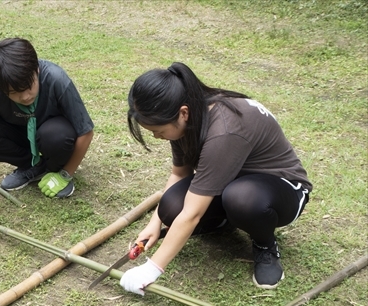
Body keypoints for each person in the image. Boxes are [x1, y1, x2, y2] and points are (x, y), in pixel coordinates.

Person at [120, 62, 312, 293]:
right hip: (229, 180)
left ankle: (265, 245)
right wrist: (155, 222)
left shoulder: (224, 130)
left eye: (159, 131)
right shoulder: (188, 117)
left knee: (242, 198)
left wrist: (151, 269)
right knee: (171, 207)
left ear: (183, 113)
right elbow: (179, 173)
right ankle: (226, 222)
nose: (157, 137)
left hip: (281, 189)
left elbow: (192, 214)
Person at [0, 37, 95, 225]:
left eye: (28, 86)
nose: (24, 96)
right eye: (13, 92)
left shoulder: (56, 79)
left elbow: (86, 131)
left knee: (55, 135)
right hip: (23, 136)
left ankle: (55, 169)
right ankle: (34, 167)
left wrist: (66, 173)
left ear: (36, 70)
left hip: (53, 136)